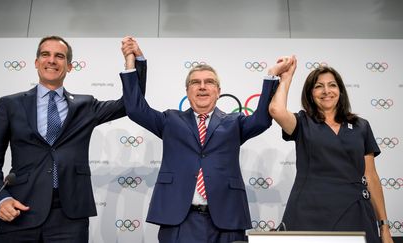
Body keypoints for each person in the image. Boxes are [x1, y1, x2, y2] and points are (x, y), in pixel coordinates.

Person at [0, 36, 147, 242]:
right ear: (36, 62)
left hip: (70, 216)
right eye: (45, 54)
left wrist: (134, 62)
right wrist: (1, 200)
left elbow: (130, 104)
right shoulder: (10, 104)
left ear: (69, 66)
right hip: (19, 210)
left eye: (59, 56)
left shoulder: (85, 106)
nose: (52, 60)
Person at [120, 42, 293, 243]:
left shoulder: (234, 123)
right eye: (195, 82)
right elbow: (135, 109)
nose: (202, 87)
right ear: (187, 90)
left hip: (227, 220)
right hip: (178, 221)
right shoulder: (170, 120)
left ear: (218, 91)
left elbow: (262, 119)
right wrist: (132, 62)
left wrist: (272, 75)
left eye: (209, 82)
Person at [268, 56, 393, 243]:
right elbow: (276, 110)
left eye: (332, 85)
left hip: (355, 213)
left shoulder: (361, 126)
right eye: (319, 86)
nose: (326, 91)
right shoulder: (302, 122)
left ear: (340, 91)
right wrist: (286, 78)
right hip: (309, 213)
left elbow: (371, 176)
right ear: (310, 93)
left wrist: (384, 227)